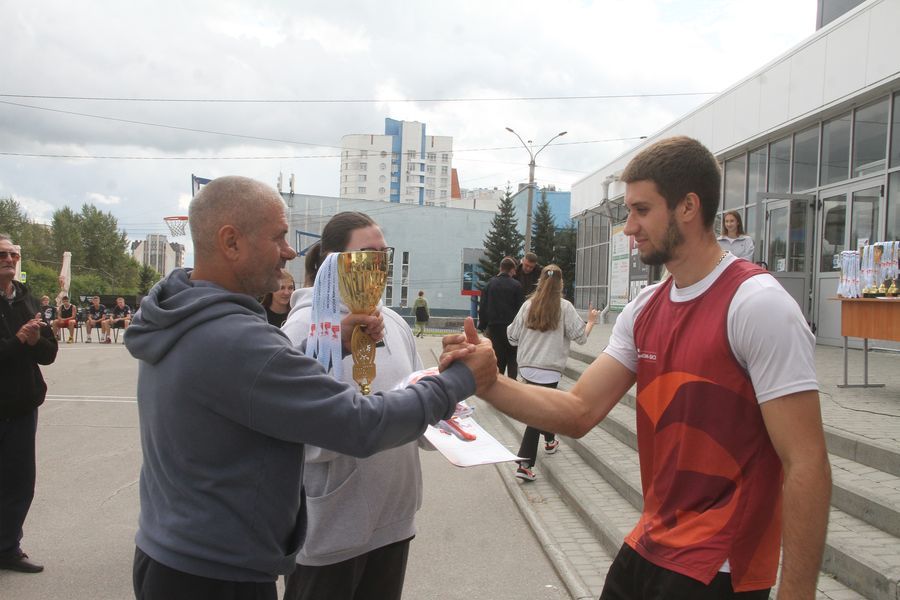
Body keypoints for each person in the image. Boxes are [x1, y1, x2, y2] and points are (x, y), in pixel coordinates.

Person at [443, 137, 831, 599]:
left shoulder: (758, 304)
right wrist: (488, 382)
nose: (629, 227)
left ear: (688, 206)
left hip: (721, 566)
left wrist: (797, 592)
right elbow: (579, 411)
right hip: (652, 540)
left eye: (641, 210)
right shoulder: (645, 307)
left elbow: (807, 461)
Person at [124, 176, 496, 600]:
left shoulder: (188, 317)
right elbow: (361, 424)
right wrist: (463, 378)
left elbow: (269, 384)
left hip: (181, 555)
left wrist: (333, 342)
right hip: (216, 575)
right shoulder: (237, 341)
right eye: (279, 236)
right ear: (231, 243)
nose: (290, 251)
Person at [281, 211, 425, 600]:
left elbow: (415, 393)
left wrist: (447, 403)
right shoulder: (302, 328)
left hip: (394, 519)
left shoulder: (394, 322)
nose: (378, 265)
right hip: (333, 527)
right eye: (367, 254)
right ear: (334, 261)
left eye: (384, 254)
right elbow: (293, 429)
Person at [506, 265, 598, 482]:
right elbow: (580, 338)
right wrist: (592, 321)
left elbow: (512, 336)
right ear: (561, 284)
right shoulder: (565, 307)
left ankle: (549, 441)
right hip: (550, 370)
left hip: (527, 367)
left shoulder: (528, 306)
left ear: (540, 281)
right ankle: (524, 463)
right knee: (539, 414)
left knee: (543, 409)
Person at [0, 234, 58, 573]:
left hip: (22, 408)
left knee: (20, 483)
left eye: (13, 255)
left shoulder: (27, 300)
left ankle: (7, 547)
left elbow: (48, 354)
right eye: (3, 254)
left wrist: (36, 341)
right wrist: (19, 341)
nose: (10, 259)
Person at [478, 256, 524, 379]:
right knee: (512, 359)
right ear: (512, 270)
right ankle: (512, 385)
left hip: (494, 329)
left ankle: (499, 385)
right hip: (512, 330)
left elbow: (483, 307)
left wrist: (482, 326)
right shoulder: (517, 286)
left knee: (498, 360)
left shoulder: (489, 285)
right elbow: (521, 310)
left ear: (500, 268)